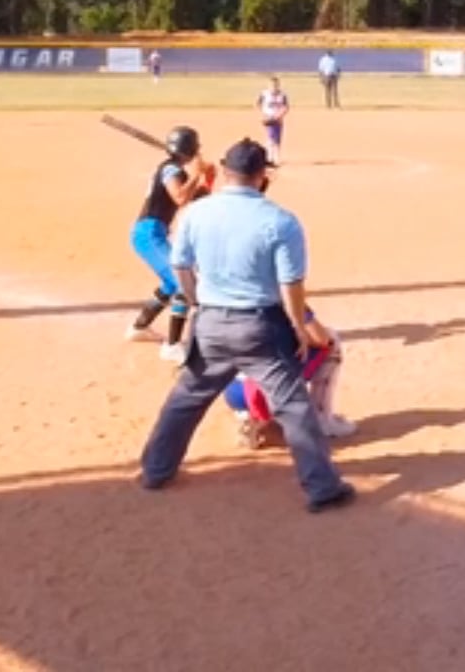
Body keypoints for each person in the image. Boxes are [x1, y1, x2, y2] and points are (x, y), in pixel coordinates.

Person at [139, 138, 356, 513]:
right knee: (293, 407)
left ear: (225, 171)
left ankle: (156, 470)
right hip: (260, 326)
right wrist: (298, 326)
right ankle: (322, 487)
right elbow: (291, 284)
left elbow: (180, 265)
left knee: (185, 400)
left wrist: (195, 301)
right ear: (261, 176)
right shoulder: (280, 220)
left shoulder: (196, 213)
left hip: (211, 322)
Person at [125, 126, 214, 362]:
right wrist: (196, 173)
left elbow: (197, 199)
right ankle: (172, 346)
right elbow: (180, 197)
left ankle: (139, 327)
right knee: (183, 283)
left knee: (170, 284)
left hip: (153, 234)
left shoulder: (177, 171)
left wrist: (207, 178)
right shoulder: (170, 169)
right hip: (148, 234)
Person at [222, 304, 355, 448]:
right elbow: (321, 339)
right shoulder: (282, 297)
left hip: (235, 391)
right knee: (331, 340)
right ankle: (321, 419)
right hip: (271, 388)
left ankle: (248, 416)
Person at [257, 76, 290, 165]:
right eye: (272, 85)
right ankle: (270, 157)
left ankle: (276, 157)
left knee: (277, 138)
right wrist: (264, 114)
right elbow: (258, 104)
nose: (274, 87)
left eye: (276, 85)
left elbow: (286, 106)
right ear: (269, 85)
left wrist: (281, 115)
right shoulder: (264, 94)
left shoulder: (282, 95)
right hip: (269, 118)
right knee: (270, 137)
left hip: (278, 119)